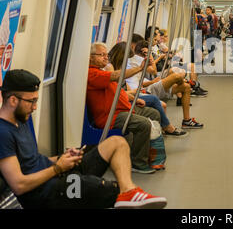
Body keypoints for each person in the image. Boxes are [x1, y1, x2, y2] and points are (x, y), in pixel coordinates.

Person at [0, 69, 167, 209]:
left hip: (55, 174)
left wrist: (61, 159)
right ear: (13, 100)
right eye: (32, 101)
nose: (35, 107)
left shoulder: (20, 119)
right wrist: (58, 168)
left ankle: (129, 191)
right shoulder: (3, 133)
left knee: (116, 143)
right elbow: (19, 185)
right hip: (48, 193)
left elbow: (32, 162)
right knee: (109, 190)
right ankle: (125, 193)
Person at [87, 42, 161, 173]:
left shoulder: (101, 72)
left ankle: (151, 154)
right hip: (110, 116)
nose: (105, 57)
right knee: (143, 124)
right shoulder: (92, 74)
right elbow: (116, 76)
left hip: (122, 109)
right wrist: (140, 68)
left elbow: (116, 92)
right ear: (90, 58)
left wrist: (133, 99)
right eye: (101, 55)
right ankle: (137, 163)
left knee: (154, 114)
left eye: (106, 55)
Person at [108, 41, 187, 137]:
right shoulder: (113, 68)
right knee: (173, 80)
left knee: (178, 79)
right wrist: (134, 93)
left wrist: (136, 91)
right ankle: (167, 127)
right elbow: (153, 71)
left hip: (131, 91)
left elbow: (125, 86)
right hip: (125, 96)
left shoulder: (121, 67)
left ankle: (163, 130)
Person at [126, 40, 204, 129]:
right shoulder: (137, 60)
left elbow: (145, 77)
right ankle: (187, 82)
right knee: (176, 76)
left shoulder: (136, 63)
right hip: (147, 89)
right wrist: (150, 59)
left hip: (148, 85)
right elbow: (153, 71)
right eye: (147, 52)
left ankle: (187, 121)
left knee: (185, 87)